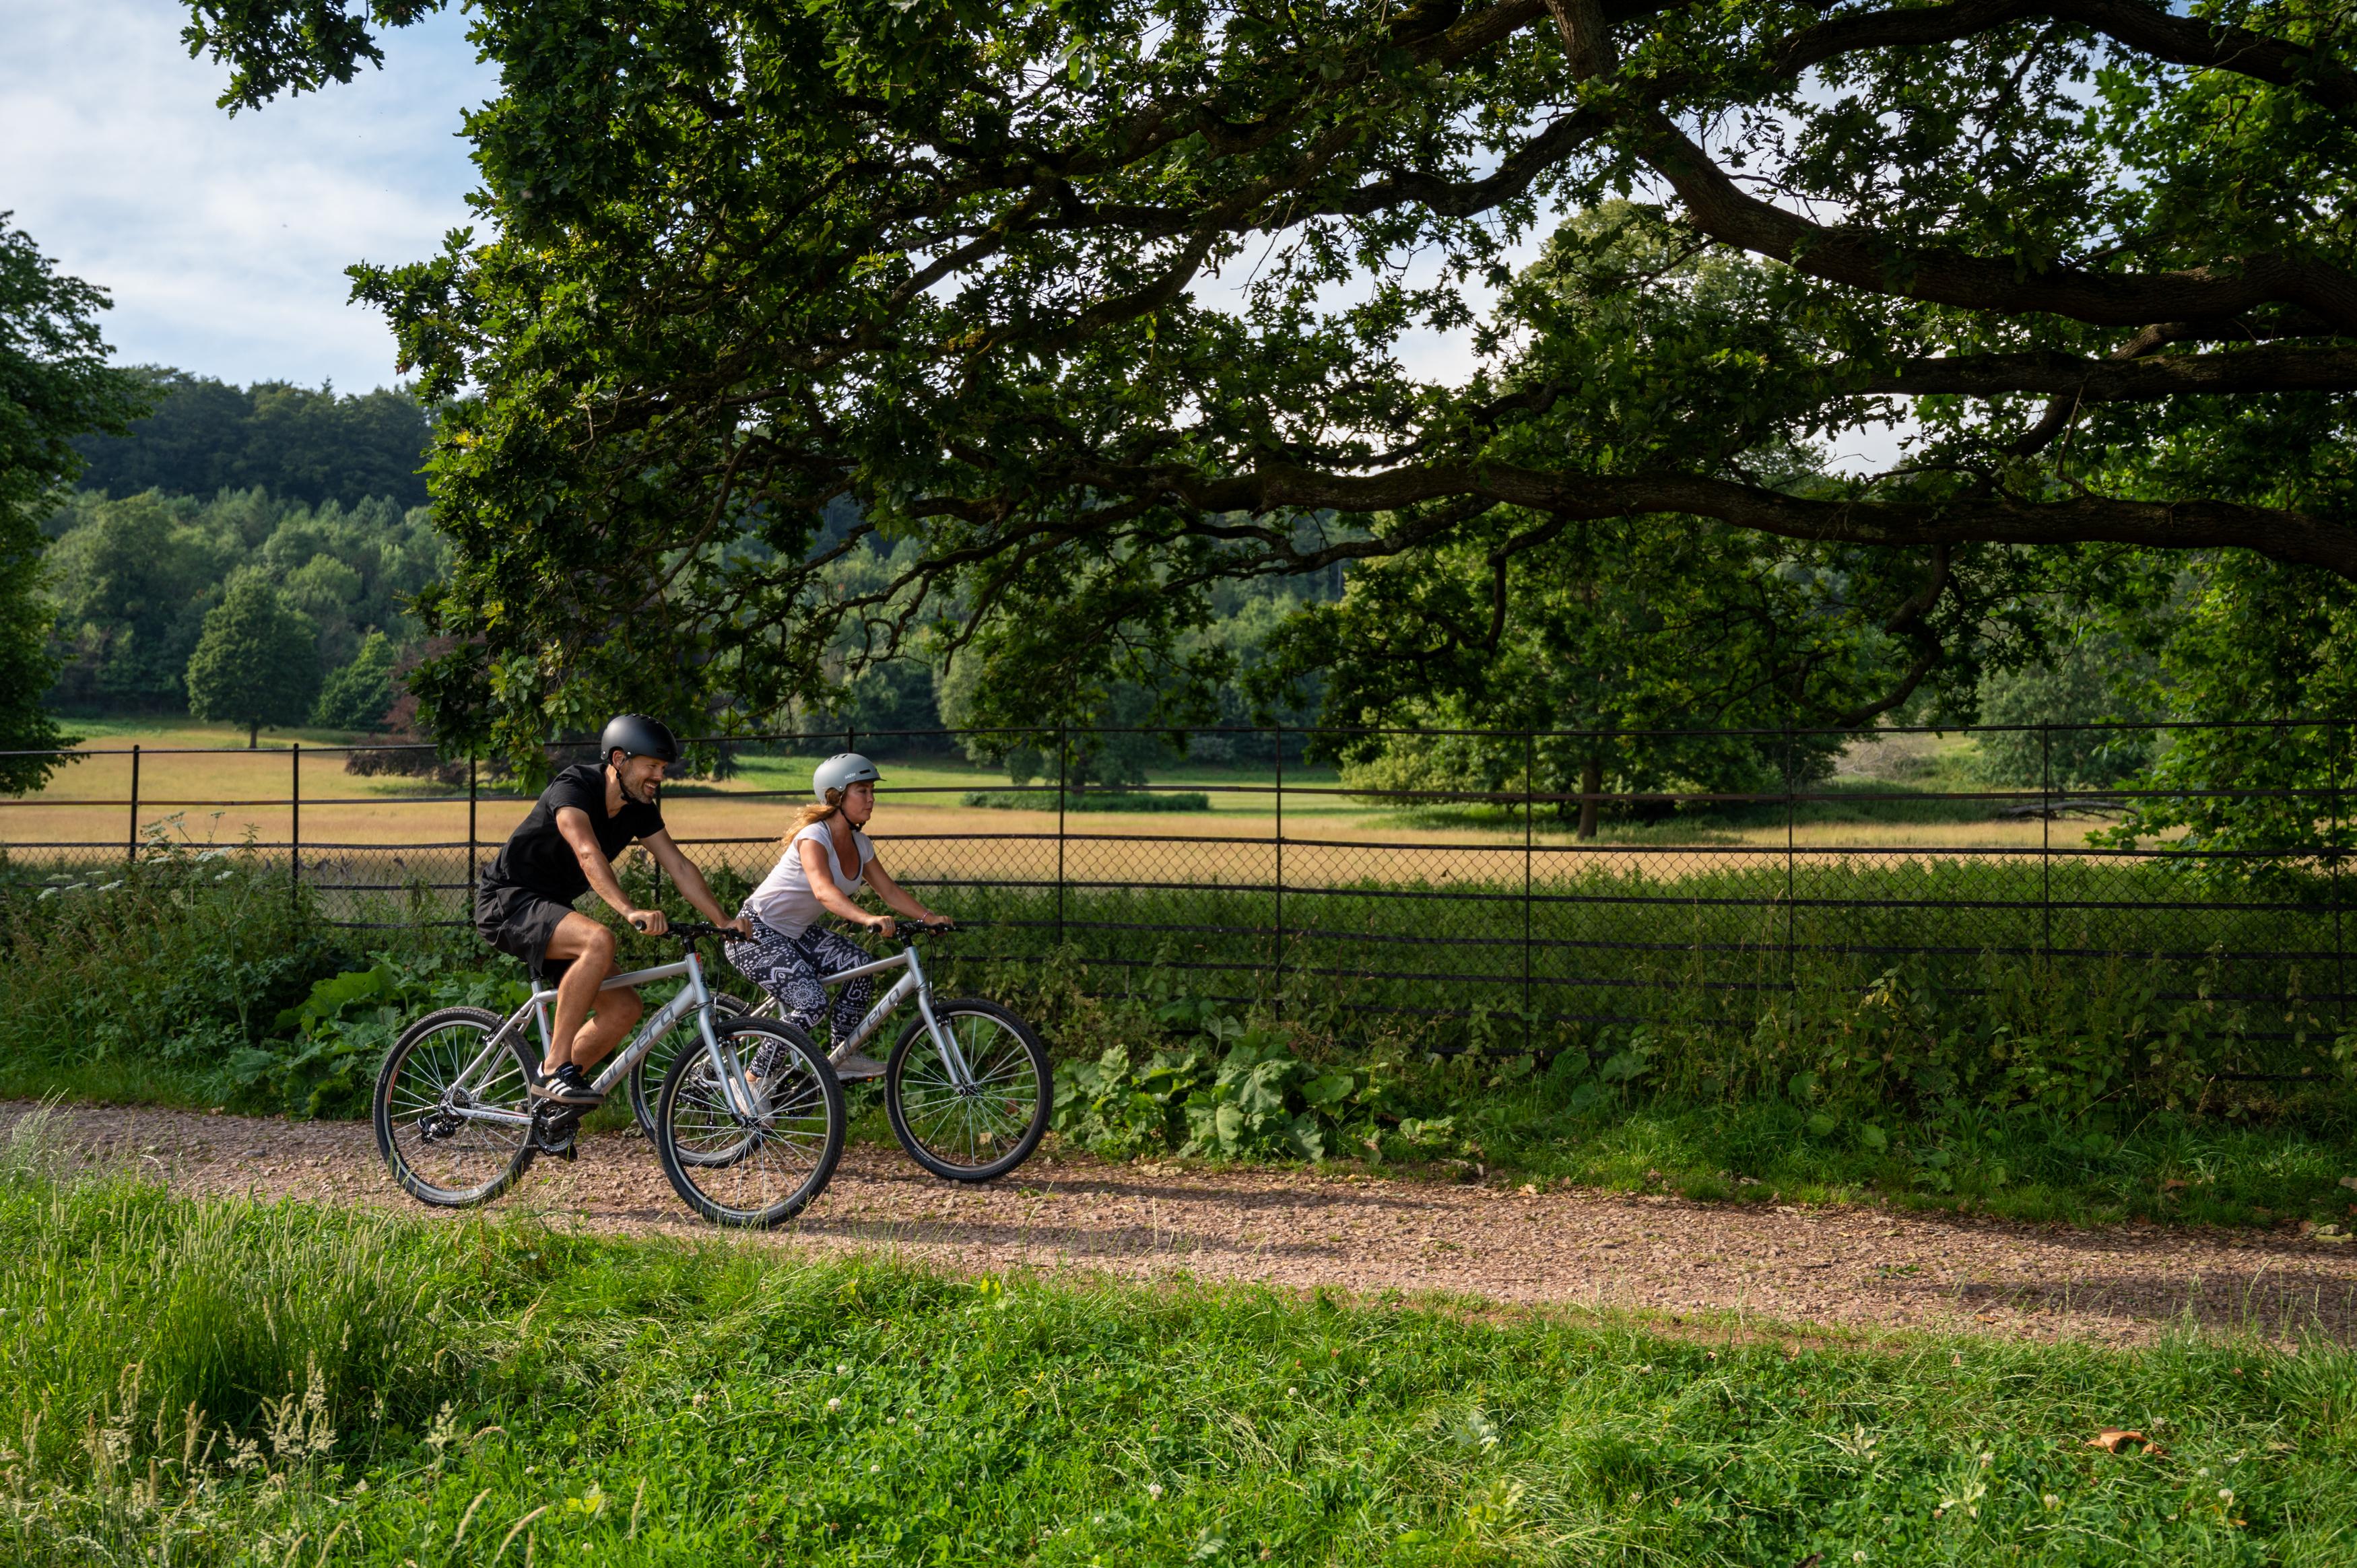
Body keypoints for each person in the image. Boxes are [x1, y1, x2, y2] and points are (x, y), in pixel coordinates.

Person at [474, 714, 750, 1111]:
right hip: (508, 900)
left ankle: (545, 1106)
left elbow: (679, 867)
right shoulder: (574, 788)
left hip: (551, 909)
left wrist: (722, 921)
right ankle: (555, 1068)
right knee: (598, 939)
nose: (659, 777)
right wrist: (629, 909)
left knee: (625, 1008)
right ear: (619, 760)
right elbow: (588, 853)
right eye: (652, 767)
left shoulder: (639, 806)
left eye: (663, 769)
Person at [725, 753, 950, 1081]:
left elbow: (889, 891)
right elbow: (823, 891)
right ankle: (754, 1079)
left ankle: (842, 1054)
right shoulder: (814, 836)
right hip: (755, 933)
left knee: (861, 966)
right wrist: (866, 918)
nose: (872, 799)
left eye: (873, 790)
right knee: (811, 1002)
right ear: (836, 796)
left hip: (795, 933)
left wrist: (928, 917)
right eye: (862, 790)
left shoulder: (860, 843)